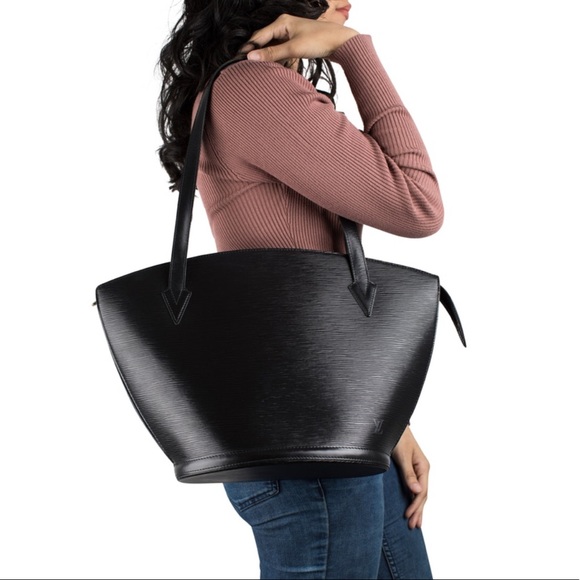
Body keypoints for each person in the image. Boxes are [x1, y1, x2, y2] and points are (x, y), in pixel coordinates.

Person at [158, 1, 442, 578]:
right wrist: (353, 49)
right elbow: (418, 204)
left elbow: (309, 290)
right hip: (311, 443)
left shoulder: (251, 91)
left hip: (342, 421)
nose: (347, 1)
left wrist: (392, 421)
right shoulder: (254, 91)